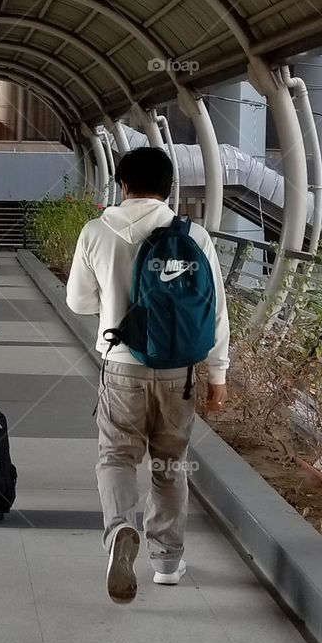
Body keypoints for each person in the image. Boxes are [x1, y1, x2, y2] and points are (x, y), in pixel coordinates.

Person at [66, 146, 229, 603]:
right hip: (179, 372)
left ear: (121, 184)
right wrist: (217, 373)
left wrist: (114, 309)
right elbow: (215, 311)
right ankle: (168, 562)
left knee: (116, 457)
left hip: (121, 367)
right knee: (170, 463)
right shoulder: (193, 235)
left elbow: (77, 303)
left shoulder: (97, 231)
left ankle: (121, 528)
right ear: (168, 187)